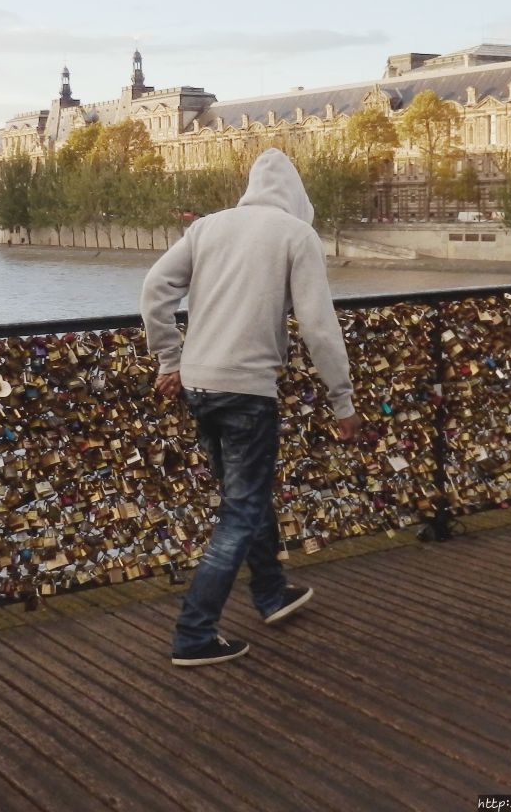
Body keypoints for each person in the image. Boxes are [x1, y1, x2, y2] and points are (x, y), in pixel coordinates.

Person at [140, 148, 360, 667]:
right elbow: (319, 327)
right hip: (247, 389)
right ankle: (194, 633)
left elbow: (155, 290)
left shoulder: (207, 228)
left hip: (198, 384)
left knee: (246, 495)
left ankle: (271, 594)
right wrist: (342, 400)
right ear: (297, 196)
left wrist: (169, 359)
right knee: (239, 511)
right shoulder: (295, 235)